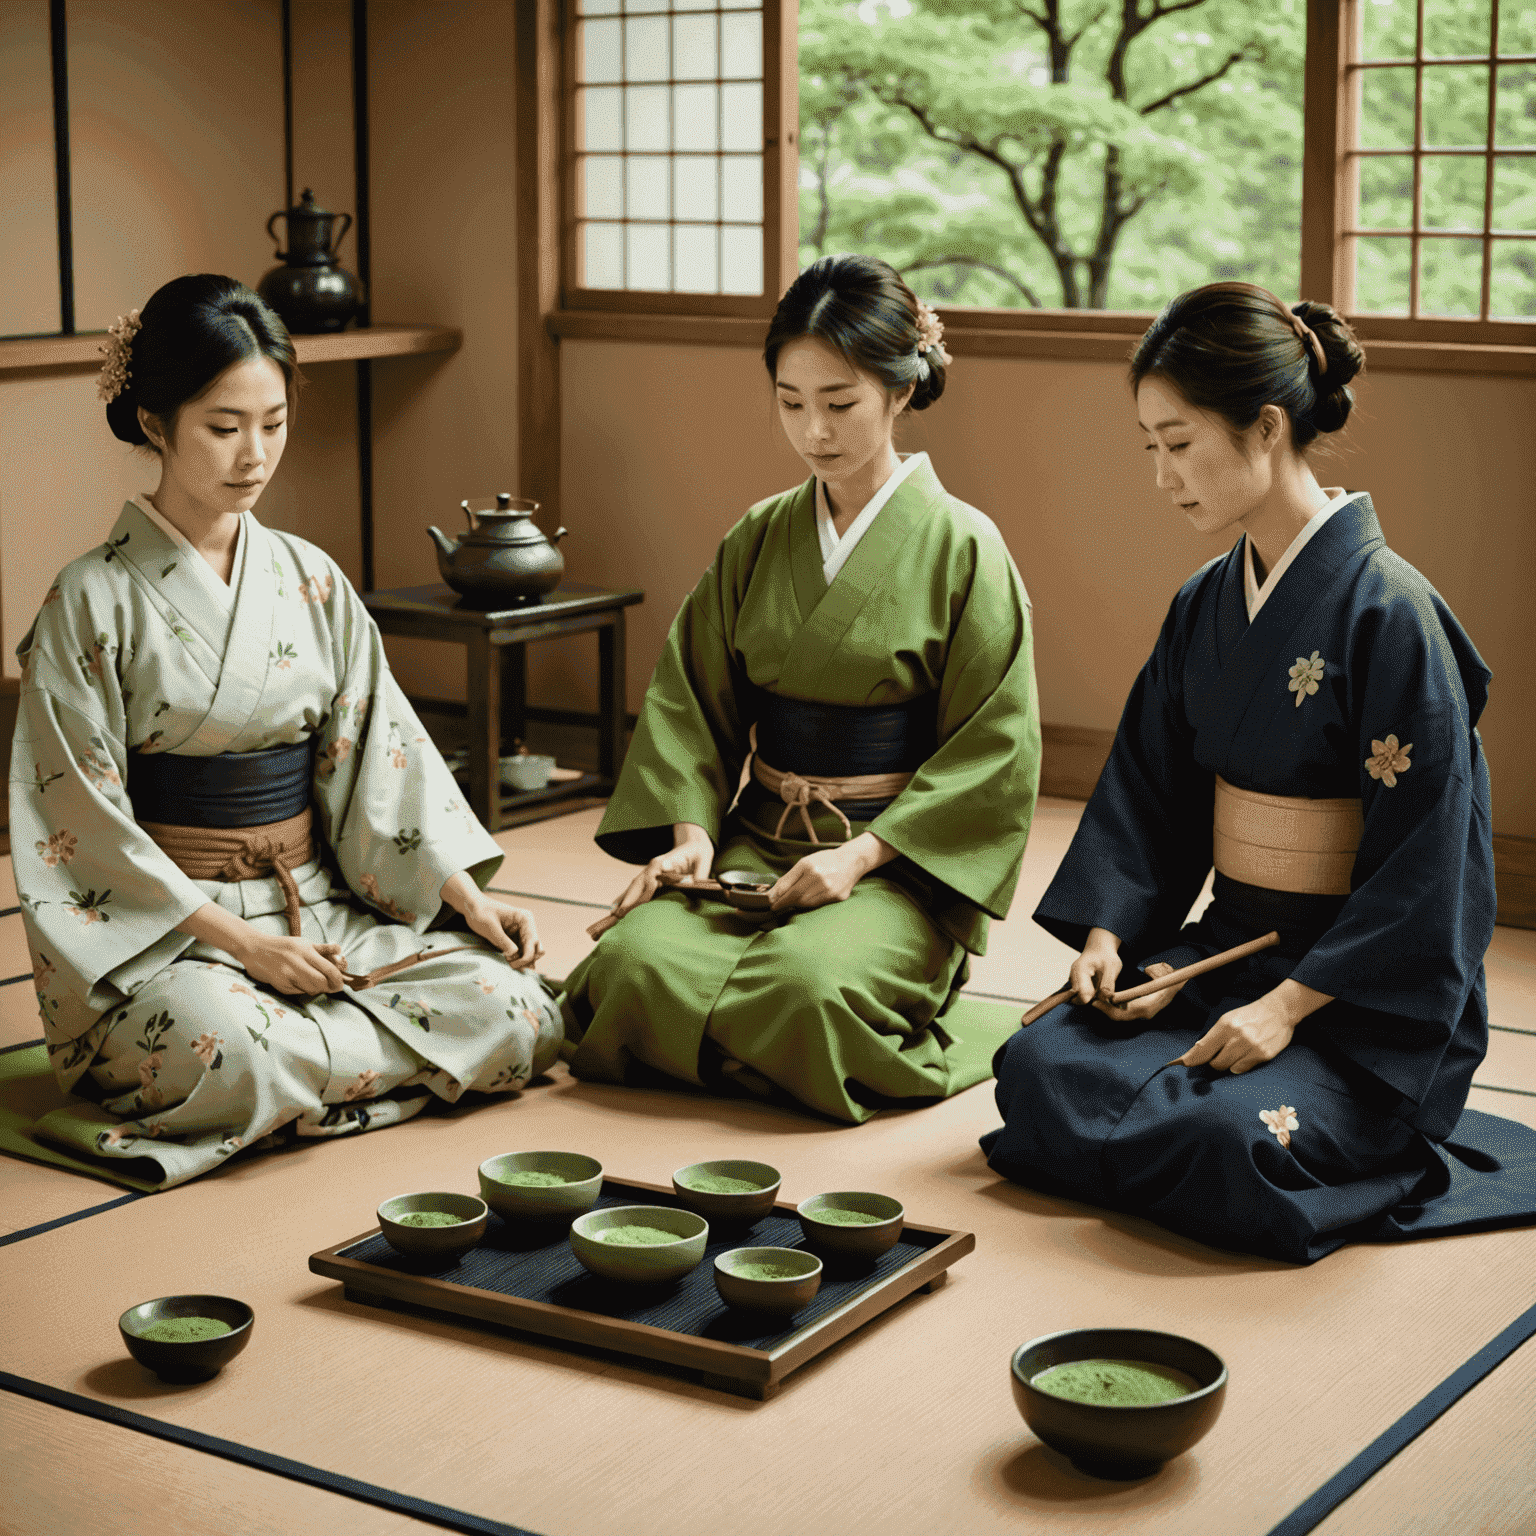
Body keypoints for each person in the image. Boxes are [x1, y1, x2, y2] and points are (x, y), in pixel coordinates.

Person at [982, 281, 1536, 1263]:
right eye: (1148, 446)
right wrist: (1113, 936)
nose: (1161, 475)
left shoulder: (1392, 615)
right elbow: (1148, 790)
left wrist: (1285, 1009)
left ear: (1268, 426)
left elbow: (1431, 870)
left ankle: (1385, 1142)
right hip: (1227, 952)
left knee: (1229, 1137)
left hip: (1362, 1004)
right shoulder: (1205, 603)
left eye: (1180, 442)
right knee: (1035, 1065)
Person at [13, 274, 561, 1188]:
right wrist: (248, 947)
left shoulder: (309, 579)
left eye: (273, 423)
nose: (254, 454)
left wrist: (466, 899)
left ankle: (313, 1081)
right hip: (178, 940)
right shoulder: (90, 600)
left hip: (321, 905)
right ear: (155, 423)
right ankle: (346, 1069)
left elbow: (381, 764)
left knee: (518, 1006)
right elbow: (84, 825)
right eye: (223, 428)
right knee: (233, 1050)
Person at [559, 254, 1041, 1121]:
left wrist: (858, 856)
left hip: (894, 863)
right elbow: (690, 702)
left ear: (900, 390)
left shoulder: (966, 547)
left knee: (810, 985)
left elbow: (993, 750)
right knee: (632, 966)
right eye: (791, 403)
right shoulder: (760, 535)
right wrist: (691, 836)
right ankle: (750, 1040)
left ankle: (819, 1004)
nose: (814, 430)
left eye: (840, 403)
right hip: (756, 845)